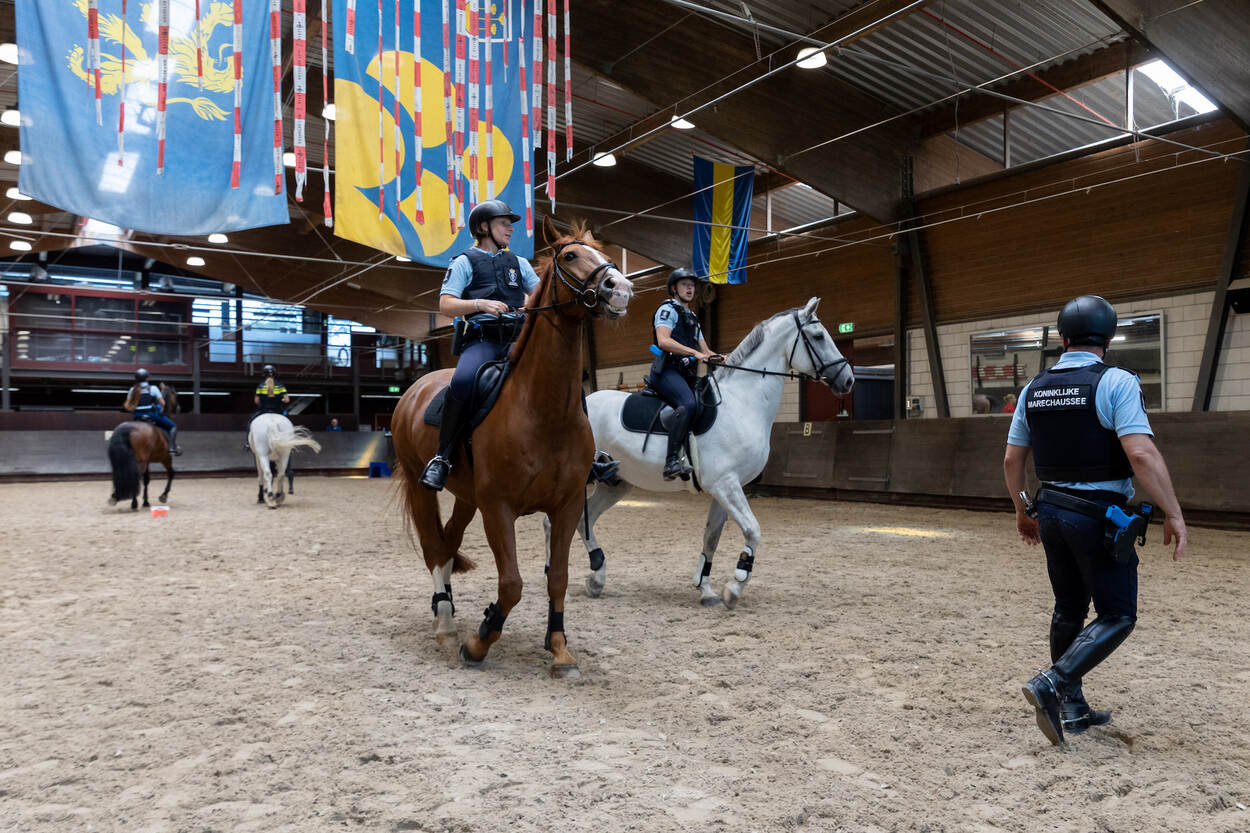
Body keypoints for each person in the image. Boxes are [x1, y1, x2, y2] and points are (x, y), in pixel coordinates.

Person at [1003, 295, 1186, 746]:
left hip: (1050, 513)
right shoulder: (1117, 381)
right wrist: (1174, 511)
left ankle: (1073, 708)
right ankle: (1054, 681)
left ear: (1063, 338)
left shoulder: (1034, 388)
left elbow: (1011, 460)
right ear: (1107, 338)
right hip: (1098, 518)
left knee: (1069, 607)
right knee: (1118, 613)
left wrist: (1022, 511)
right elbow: (1140, 453)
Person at [418, 199, 541, 490]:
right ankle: (443, 457)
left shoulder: (520, 263)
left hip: (518, 340)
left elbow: (538, 296)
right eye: (503, 223)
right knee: (462, 382)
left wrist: (529, 307)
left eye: (510, 224)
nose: (510, 228)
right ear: (484, 227)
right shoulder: (464, 261)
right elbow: (445, 304)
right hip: (483, 340)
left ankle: (590, 452)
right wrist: (479, 303)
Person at [649, 267, 720, 480]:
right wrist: (693, 352)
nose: (690, 289)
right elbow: (663, 341)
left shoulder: (692, 317)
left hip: (686, 374)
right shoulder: (667, 310)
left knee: (706, 402)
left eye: (692, 286)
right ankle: (671, 461)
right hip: (667, 371)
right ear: (673, 288)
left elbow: (705, 351)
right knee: (688, 404)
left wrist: (725, 359)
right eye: (685, 285)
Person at [123, 368, 182, 455]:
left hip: (137, 416)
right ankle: (172, 447)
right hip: (151, 415)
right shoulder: (153, 388)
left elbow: (129, 405)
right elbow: (162, 403)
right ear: (147, 378)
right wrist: (160, 411)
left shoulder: (132, 390)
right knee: (173, 427)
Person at [246, 364, 290, 450]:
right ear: (275, 374)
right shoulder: (280, 386)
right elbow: (287, 400)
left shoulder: (261, 386)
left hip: (263, 411)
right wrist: (281, 400)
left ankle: (248, 443)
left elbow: (256, 401)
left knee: (250, 423)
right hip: (278, 411)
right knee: (288, 425)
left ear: (264, 374)